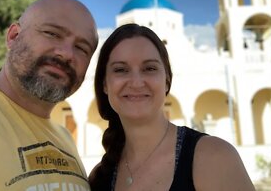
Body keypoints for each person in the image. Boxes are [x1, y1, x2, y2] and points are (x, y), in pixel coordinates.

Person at [88, 23, 256, 191]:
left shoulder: (213, 158)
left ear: (167, 80)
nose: (136, 82)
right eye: (121, 70)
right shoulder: (99, 177)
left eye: (149, 68)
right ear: (104, 84)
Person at [0, 0, 99, 191]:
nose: (67, 53)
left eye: (82, 48)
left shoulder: (65, 139)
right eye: (52, 33)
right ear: (13, 36)